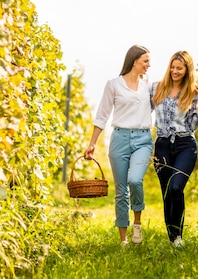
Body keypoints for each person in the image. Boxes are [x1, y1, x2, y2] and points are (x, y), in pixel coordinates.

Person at [84, 45, 153, 246]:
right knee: (121, 190)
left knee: (135, 181)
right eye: (145, 61)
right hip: (120, 139)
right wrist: (92, 143)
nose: (149, 65)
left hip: (142, 139)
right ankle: (123, 240)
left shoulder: (148, 84)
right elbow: (102, 115)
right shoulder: (113, 85)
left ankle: (137, 225)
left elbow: (169, 94)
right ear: (134, 61)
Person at [150, 50, 198, 247]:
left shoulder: (192, 92)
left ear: (186, 70)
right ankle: (172, 236)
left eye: (179, 68)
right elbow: (141, 109)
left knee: (176, 187)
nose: (175, 71)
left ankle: (178, 236)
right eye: (172, 67)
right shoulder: (156, 88)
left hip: (185, 145)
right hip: (163, 144)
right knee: (166, 190)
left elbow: (192, 126)